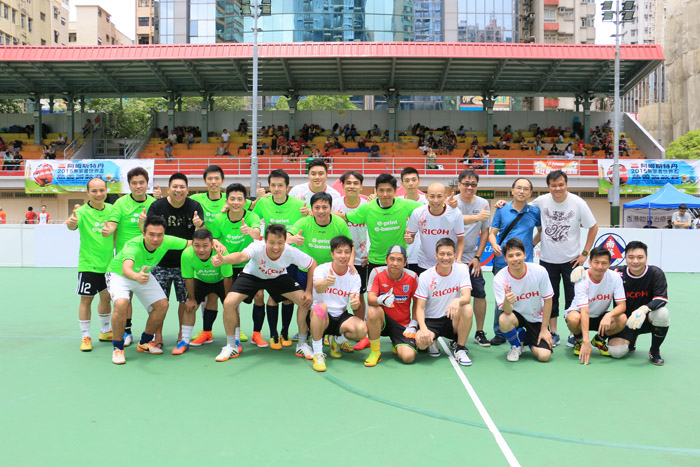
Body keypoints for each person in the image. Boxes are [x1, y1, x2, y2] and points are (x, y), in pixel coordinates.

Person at [504, 170, 597, 347]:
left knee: (573, 298)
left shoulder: (578, 203)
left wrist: (585, 254)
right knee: (550, 298)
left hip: (572, 260)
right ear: (548, 186)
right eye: (553, 185)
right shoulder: (541, 201)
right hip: (547, 260)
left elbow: (593, 227)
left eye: (561, 184)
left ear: (566, 184)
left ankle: (573, 333)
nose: (557, 188)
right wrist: (503, 203)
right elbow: (520, 205)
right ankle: (553, 332)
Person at [211, 224, 316, 361]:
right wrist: (224, 260)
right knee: (229, 303)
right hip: (252, 276)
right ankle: (231, 346)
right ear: (265, 240)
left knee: (304, 301)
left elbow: (312, 264)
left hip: (278, 277)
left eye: (280, 243)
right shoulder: (257, 247)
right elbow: (242, 256)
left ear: (285, 241)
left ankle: (302, 344)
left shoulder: (290, 251)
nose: (276, 247)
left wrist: (308, 291)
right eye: (271, 242)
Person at [106, 216, 189, 364]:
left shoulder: (167, 241)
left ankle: (144, 343)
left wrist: (214, 241)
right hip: (120, 275)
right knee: (121, 304)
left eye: (160, 235)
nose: (156, 239)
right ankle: (118, 348)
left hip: (143, 275)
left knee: (162, 305)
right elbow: (126, 269)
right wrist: (136, 276)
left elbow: (191, 243)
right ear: (143, 234)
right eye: (151, 234)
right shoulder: (133, 245)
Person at [573, 241, 670, 365]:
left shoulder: (655, 273)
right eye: (631, 257)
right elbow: (598, 268)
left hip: (645, 318)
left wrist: (643, 310)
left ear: (646, 258)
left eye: (640, 257)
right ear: (625, 258)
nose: (635, 261)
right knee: (616, 353)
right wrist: (580, 269)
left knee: (662, 314)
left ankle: (654, 351)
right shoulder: (618, 272)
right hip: (624, 322)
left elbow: (661, 298)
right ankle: (631, 339)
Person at [146, 173, 204, 348]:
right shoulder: (157, 206)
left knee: (185, 302)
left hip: (184, 265)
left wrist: (199, 224)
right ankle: (158, 336)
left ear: (187, 189)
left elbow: (202, 232)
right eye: (175, 187)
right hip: (160, 264)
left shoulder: (195, 206)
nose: (178, 190)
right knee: (159, 303)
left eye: (182, 187)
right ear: (168, 189)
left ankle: (182, 336)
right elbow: (148, 231)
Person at [103, 167, 158, 346]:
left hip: (148, 260)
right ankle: (126, 332)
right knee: (125, 299)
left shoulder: (154, 204)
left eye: (141, 182)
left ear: (147, 183)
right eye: (134, 183)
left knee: (155, 300)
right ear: (129, 185)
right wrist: (108, 229)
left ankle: (153, 334)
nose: (138, 186)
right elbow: (112, 224)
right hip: (125, 260)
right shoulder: (120, 203)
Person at [252, 169, 305, 348]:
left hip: (290, 258)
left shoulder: (299, 204)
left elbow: (308, 219)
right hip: (271, 257)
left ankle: (284, 332)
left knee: (289, 297)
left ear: (287, 187)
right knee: (273, 297)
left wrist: (308, 213)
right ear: (269, 186)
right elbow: (250, 215)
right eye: (273, 185)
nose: (276, 188)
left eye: (280, 185)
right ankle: (273, 334)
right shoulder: (263, 202)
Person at [208, 183, 265, 346]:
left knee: (259, 296)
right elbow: (215, 238)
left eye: (240, 199)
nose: (236, 202)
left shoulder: (251, 217)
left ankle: (257, 334)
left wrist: (249, 231)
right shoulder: (219, 218)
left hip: (249, 263)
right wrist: (217, 244)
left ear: (244, 201)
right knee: (230, 300)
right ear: (227, 201)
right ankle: (236, 334)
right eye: (232, 199)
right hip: (228, 263)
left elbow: (257, 234)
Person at [488, 178, 541, 345]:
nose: (522, 191)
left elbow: (541, 231)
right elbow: (492, 233)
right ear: (512, 190)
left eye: (526, 189)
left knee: (527, 296)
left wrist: (531, 244)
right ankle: (499, 332)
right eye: (518, 188)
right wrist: (495, 244)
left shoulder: (534, 212)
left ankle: (524, 328)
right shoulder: (502, 209)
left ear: (530, 193)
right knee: (502, 298)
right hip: (503, 262)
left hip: (527, 263)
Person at [338, 173, 422, 279]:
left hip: (398, 260)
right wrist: (321, 213)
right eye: (381, 190)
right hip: (376, 261)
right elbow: (346, 217)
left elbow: (429, 206)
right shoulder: (367, 208)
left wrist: (445, 204)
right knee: (374, 295)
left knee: (401, 294)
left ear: (395, 191)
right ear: (376, 191)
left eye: (389, 190)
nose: (385, 194)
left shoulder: (405, 205)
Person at [66, 178, 115, 352]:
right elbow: (71, 225)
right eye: (94, 191)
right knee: (86, 299)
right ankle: (85, 336)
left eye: (102, 190)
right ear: (88, 193)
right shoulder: (81, 211)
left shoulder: (112, 209)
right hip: (88, 264)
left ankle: (105, 331)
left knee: (106, 298)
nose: (98, 194)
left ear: (106, 190)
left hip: (108, 265)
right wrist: (71, 223)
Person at [309, 236, 366, 372]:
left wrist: (355, 303)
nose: (343, 256)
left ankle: (337, 340)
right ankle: (318, 354)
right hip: (321, 316)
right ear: (332, 254)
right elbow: (317, 288)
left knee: (362, 329)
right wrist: (326, 282)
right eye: (339, 252)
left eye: (347, 252)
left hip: (340, 316)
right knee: (320, 308)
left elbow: (355, 304)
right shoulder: (322, 269)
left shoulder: (354, 276)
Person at [414, 238, 474, 366]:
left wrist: (457, 300)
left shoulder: (462, 270)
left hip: (451, 318)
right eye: (442, 254)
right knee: (420, 343)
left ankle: (460, 348)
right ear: (436, 256)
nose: (445, 258)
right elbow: (419, 308)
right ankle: (432, 339)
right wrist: (423, 329)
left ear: (455, 255)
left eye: (449, 254)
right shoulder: (425, 276)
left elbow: (467, 297)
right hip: (431, 320)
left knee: (467, 308)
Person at [493, 238, 554, 363]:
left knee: (544, 356)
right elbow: (507, 311)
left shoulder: (539, 272)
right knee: (504, 319)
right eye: (510, 256)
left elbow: (548, 300)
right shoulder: (500, 279)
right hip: (516, 316)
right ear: (505, 259)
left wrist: (544, 329)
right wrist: (507, 301)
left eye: (518, 254)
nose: (515, 259)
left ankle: (525, 339)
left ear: (525, 255)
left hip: (537, 317)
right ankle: (516, 345)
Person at [176, 229, 234, 355]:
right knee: (189, 306)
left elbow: (227, 277)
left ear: (212, 244)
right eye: (197, 245)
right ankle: (184, 341)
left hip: (220, 280)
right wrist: (191, 298)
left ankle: (235, 342)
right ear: (192, 244)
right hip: (200, 280)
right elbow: (189, 278)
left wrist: (228, 300)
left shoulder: (221, 253)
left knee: (231, 307)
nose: (201, 250)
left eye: (205, 246)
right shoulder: (187, 254)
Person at [564, 247, 626, 364]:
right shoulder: (581, 278)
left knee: (622, 318)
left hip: (600, 316)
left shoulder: (615, 277)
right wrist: (586, 341)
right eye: (596, 262)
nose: (599, 267)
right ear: (590, 262)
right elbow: (584, 310)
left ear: (609, 264)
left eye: (604, 263)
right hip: (580, 314)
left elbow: (622, 306)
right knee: (572, 318)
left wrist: (610, 315)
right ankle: (580, 340)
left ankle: (599, 340)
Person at [333, 171, 371, 349]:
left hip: (361, 257)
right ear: (343, 185)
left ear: (361, 186)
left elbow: (374, 229)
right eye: (348, 183)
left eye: (356, 183)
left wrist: (369, 252)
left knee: (359, 295)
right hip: (339, 257)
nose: (352, 186)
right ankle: (331, 330)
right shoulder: (336, 205)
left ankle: (360, 328)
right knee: (334, 293)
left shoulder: (367, 205)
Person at [454, 169, 492, 347]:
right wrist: (476, 217)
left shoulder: (483, 203)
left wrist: (478, 257)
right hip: (450, 256)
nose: (469, 187)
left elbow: (485, 232)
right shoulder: (452, 202)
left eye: (473, 184)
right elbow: (455, 220)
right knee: (448, 294)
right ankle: (450, 330)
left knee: (479, 293)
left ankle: (479, 331)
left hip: (471, 256)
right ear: (459, 184)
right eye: (466, 184)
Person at [364, 245, 419, 366]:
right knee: (373, 311)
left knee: (408, 357)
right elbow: (370, 299)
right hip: (382, 321)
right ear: (386, 260)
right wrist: (381, 300)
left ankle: (396, 342)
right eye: (392, 259)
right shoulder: (376, 272)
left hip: (402, 324)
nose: (395, 263)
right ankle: (375, 352)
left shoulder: (413, 277)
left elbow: (417, 302)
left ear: (405, 263)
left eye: (399, 260)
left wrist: (414, 324)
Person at [405, 182, 464, 276]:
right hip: (424, 263)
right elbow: (410, 237)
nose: (435, 200)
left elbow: (461, 239)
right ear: (427, 197)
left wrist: (459, 260)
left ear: (445, 197)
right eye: (432, 196)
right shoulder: (418, 213)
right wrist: (409, 239)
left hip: (447, 262)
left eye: (439, 196)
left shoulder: (455, 213)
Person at [397, 167, 428, 275]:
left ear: (419, 181)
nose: (411, 183)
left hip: (424, 258)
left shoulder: (428, 202)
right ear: (402, 184)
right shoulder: (397, 203)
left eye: (414, 180)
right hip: (403, 256)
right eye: (407, 180)